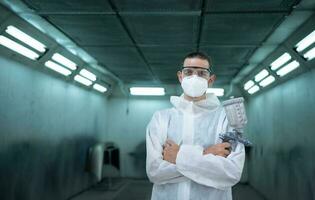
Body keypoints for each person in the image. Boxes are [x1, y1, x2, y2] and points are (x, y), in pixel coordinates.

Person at [146, 52, 245, 200]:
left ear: (210, 79)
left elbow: (232, 173)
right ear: (180, 77)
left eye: (201, 73)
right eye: (189, 72)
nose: (194, 77)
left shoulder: (226, 119)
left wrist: (178, 156)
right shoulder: (161, 118)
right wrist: (206, 153)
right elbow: (155, 172)